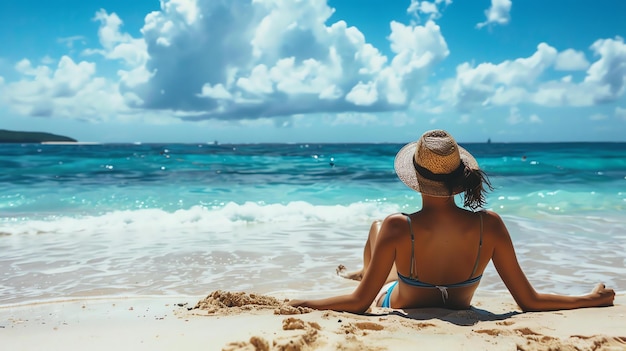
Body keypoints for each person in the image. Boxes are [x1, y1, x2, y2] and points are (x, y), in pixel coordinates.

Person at [289, 129, 615, 313]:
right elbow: (529, 301)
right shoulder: (492, 225)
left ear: (415, 175)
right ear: (460, 177)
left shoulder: (397, 226)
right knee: (385, 234)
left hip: (393, 297)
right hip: (459, 298)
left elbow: (360, 303)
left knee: (378, 228)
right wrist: (591, 299)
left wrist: (301, 302)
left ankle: (368, 270)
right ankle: (371, 268)